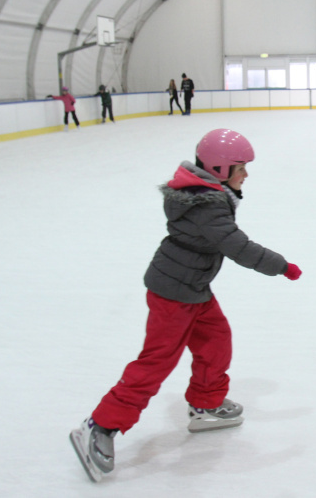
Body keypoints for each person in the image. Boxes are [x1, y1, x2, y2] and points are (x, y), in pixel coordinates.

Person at [70, 129, 303, 483]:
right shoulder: (208, 206)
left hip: (191, 286)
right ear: (220, 169)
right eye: (241, 168)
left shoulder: (204, 195)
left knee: (216, 339)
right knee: (157, 360)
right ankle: (100, 426)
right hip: (175, 294)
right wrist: (281, 266)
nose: (246, 175)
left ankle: (206, 402)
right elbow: (238, 246)